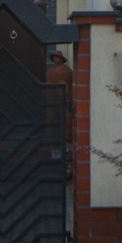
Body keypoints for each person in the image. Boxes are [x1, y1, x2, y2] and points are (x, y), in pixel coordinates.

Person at [46, 50, 74, 178]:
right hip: (61, 104)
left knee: (58, 132)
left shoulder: (53, 71)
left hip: (56, 105)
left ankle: (57, 161)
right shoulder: (66, 71)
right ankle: (63, 162)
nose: (56, 60)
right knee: (63, 133)